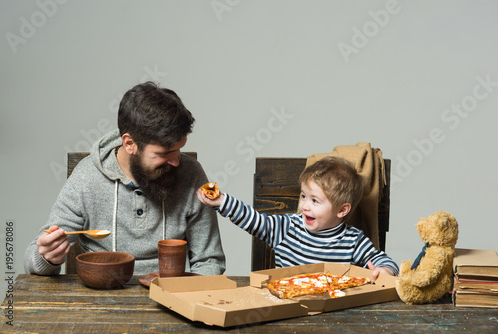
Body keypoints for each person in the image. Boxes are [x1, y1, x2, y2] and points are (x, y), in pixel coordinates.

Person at [24, 82, 226, 276]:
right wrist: (48, 258)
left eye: (179, 149)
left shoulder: (191, 174)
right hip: (102, 298)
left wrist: (191, 301)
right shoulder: (87, 178)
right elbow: (33, 260)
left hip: (171, 299)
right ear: (130, 144)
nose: (176, 161)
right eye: (165, 153)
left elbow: (209, 261)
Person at [197, 156, 398, 281]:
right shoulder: (288, 227)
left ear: (342, 210)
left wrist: (385, 270)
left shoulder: (353, 240)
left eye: (315, 201)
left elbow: (381, 259)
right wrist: (223, 201)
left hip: (332, 313)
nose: (304, 206)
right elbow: (255, 220)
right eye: (303, 196)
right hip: (286, 304)